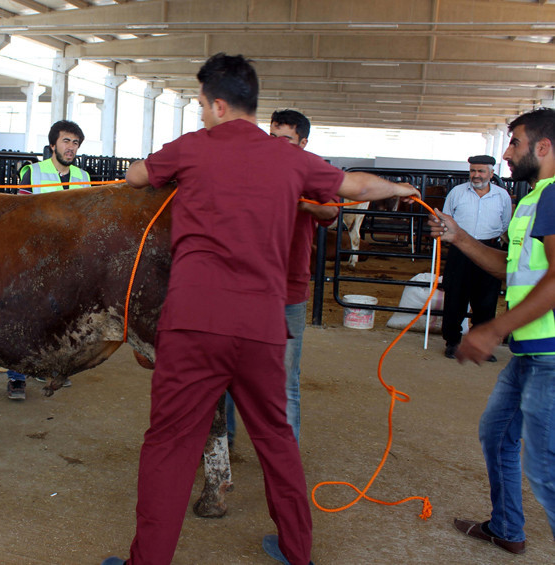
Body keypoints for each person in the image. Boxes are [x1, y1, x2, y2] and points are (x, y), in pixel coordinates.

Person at [102, 53, 418, 565]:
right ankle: (298, 552)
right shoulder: (289, 158)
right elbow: (355, 185)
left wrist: (145, 170)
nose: (202, 114)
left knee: (169, 444)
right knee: (275, 439)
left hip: (193, 322)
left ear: (220, 104)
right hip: (262, 326)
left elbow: (138, 177)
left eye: (203, 105)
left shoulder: (192, 148)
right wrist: (402, 189)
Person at [429, 107, 555, 556]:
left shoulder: (554, 196)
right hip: (532, 352)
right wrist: (460, 237)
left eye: (515, 142)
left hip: (550, 355)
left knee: (545, 467)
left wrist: (492, 329)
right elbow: (512, 268)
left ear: (542, 147)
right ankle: (506, 527)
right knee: (498, 434)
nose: (506, 152)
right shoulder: (535, 198)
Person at [224, 109, 339, 445]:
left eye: (285, 140)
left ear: (303, 143)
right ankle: (224, 440)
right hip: (243, 285)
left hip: (288, 289)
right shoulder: (250, 168)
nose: (275, 146)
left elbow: (330, 211)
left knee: (285, 377)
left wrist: (300, 203)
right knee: (230, 370)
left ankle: (284, 454)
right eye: (271, 137)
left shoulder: (312, 170)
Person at [6, 120, 91, 401]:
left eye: (75, 143)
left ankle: (50, 368)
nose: (71, 147)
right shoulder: (33, 172)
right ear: (53, 144)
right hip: (36, 255)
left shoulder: (83, 176)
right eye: (66, 141)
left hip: (69, 258)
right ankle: (17, 377)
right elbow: (20, 216)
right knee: (23, 313)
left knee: (60, 316)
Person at [440, 154, 512, 361]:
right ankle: (452, 342)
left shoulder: (502, 196)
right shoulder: (457, 193)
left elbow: (506, 224)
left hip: (489, 249)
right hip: (460, 251)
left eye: (481, 171)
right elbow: (446, 218)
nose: (476, 175)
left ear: (491, 173)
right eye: (473, 170)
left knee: (487, 300)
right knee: (455, 297)